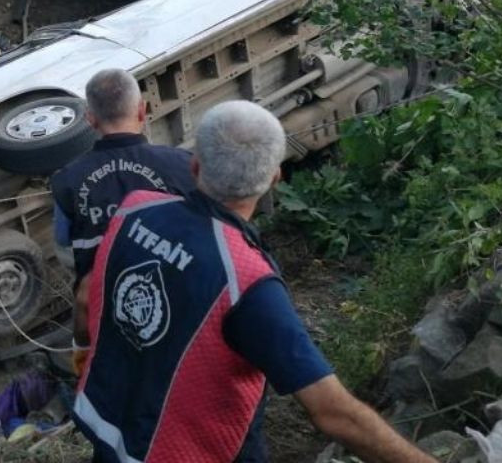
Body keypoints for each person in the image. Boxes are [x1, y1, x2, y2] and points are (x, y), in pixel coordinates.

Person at [72, 101, 435, 463]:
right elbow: (332, 412)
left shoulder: (135, 208)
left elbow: (88, 296)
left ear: (195, 166)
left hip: (108, 429)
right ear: (275, 178)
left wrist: (84, 355)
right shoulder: (246, 281)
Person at [50, 69, 195, 281]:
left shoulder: (67, 180)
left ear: (90, 119)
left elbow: (63, 243)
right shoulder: (183, 165)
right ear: (141, 111)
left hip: (104, 301)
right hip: (182, 290)